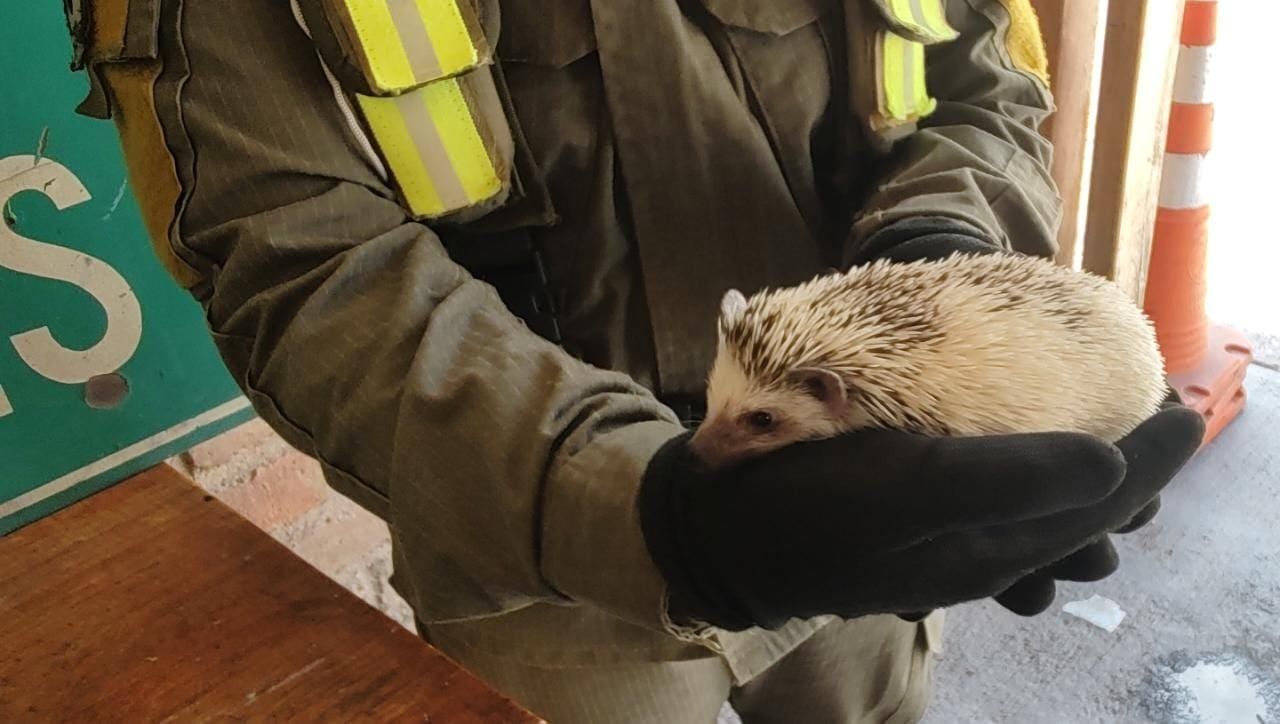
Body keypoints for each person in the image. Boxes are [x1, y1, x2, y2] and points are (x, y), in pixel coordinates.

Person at [64, 0, 1204, 721]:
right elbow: (299, 268)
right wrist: (644, 509)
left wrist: (934, 256)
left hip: (873, 476)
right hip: (534, 564)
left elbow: (987, 92)